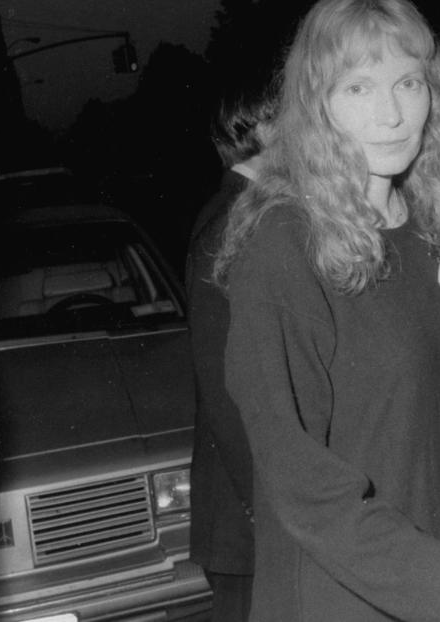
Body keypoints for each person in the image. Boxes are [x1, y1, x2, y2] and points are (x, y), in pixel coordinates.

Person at [213, 0, 440, 622]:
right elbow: (295, 476)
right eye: (358, 89)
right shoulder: (283, 243)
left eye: (408, 84)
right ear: (316, 105)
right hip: (349, 593)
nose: (392, 115)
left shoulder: (428, 226)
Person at [187, 70, 277, 621]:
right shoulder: (234, 223)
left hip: (249, 514)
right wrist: (271, 511)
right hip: (250, 520)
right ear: (263, 125)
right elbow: (227, 390)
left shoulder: (240, 210)